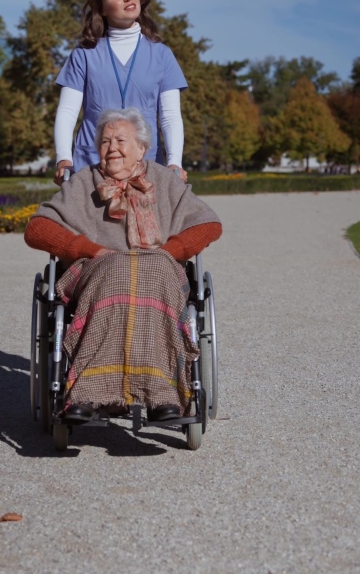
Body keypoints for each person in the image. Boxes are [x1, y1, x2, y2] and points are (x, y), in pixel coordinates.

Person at [25, 107, 222, 423]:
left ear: (142, 148)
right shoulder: (81, 183)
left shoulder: (164, 181)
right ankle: (88, 393)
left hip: (160, 269)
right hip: (96, 270)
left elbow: (208, 223)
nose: (111, 148)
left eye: (120, 140)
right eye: (104, 141)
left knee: (150, 269)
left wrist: (172, 251)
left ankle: (162, 395)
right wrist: (87, 249)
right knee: (119, 270)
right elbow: (38, 228)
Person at [53, 0, 187, 184]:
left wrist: (174, 162)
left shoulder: (162, 55)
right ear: (103, 9)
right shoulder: (84, 55)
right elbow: (67, 112)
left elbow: (170, 116)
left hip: (146, 164)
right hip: (93, 164)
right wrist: (63, 160)